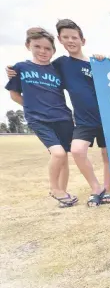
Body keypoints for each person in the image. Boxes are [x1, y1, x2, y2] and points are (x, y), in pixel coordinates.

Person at [6, 20, 110, 207]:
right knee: (76, 150)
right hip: (83, 121)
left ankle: (106, 189)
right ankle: (95, 188)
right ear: (60, 40)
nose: (70, 41)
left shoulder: (95, 64)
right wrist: (13, 72)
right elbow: (36, 71)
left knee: (107, 154)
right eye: (65, 37)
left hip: (105, 117)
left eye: (74, 37)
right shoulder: (60, 64)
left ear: (83, 40)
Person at [5, 28, 77, 208]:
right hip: (39, 119)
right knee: (58, 153)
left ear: (53, 50)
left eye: (47, 48)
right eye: (37, 46)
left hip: (62, 117)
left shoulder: (57, 69)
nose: (42, 51)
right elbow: (14, 94)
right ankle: (55, 188)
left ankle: (63, 194)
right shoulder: (21, 68)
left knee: (64, 157)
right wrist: (32, 108)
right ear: (28, 45)